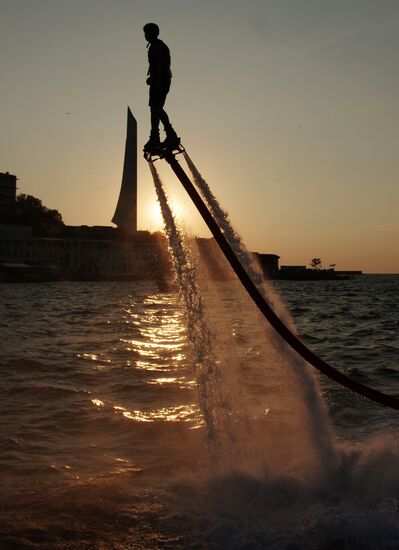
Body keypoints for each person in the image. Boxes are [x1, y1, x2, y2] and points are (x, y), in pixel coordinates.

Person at [143, 23, 179, 153]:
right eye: (145, 33)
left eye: (148, 33)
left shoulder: (157, 46)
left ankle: (155, 137)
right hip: (161, 80)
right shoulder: (156, 46)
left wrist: (157, 82)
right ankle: (170, 135)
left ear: (154, 33)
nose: (146, 36)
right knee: (157, 109)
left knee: (155, 109)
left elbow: (160, 66)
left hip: (160, 81)